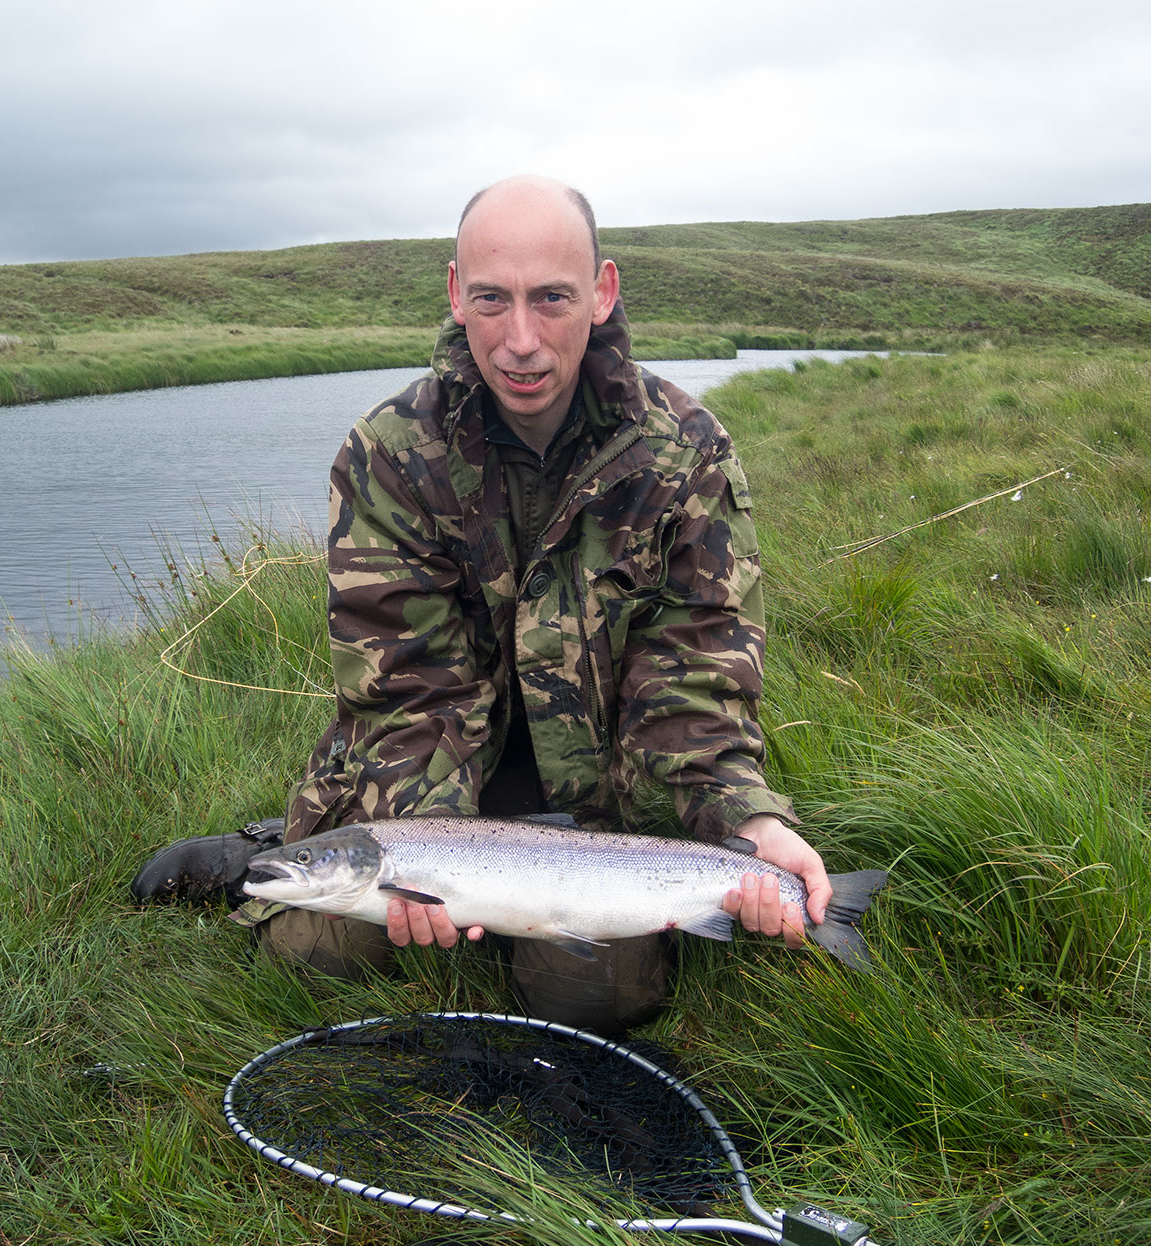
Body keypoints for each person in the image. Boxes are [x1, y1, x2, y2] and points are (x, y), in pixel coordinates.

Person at [132, 174, 831, 1035]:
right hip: (435, 783)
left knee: (597, 998)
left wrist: (745, 818)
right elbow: (405, 691)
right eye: (493, 299)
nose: (522, 341)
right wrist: (413, 839)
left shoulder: (687, 455)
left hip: (603, 801)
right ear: (456, 293)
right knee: (316, 953)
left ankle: (364, 864)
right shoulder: (388, 455)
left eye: (553, 299)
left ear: (603, 293)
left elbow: (697, 684)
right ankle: (286, 848)